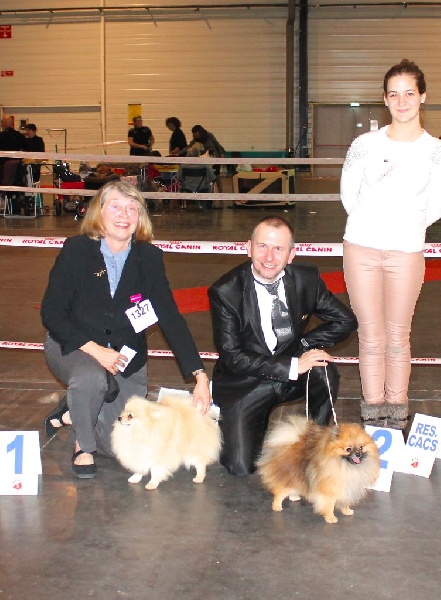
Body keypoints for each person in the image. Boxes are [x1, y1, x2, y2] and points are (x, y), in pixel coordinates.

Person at [41, 180, 211, 479]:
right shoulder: (77, 250)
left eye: (132, 208)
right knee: (91, 378)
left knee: (119, 444)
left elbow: (170, 317)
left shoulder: (149, 257)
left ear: (140, 217)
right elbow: (52, 313)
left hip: (125, 356)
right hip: (75, 345)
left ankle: (73, 409)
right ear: (99, 211)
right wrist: (95, 351)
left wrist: (199, 375)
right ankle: (83, 446)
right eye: (116, 206)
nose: (124, 214)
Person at [208, 216, 357, 476]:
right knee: (239, 466)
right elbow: (232, 356)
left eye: (278, 249)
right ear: (248, 248)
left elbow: (345, 321)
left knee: (323, 371)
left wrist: (304, 346)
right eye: (262, 246)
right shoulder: (225, 291)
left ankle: (316, 445)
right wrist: (291, 365)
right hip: (246, 382)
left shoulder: (306, 279)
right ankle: (245, 420)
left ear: (291, 255)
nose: (269, 257)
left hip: (291, 374)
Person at [341, 59, 441, 431]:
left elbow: (436, 205)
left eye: (409, 94)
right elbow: (349, 195)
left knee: (398, 337)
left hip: (407, 252)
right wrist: (372, 226)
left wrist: (405, 227)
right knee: (370, 337)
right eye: (394, 95)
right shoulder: (364, 145)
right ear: (385, 99)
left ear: (423, 97)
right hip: (361, 249)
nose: (402, 102)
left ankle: (396, 418)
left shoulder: (435, 151)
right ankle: (372, 416)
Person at [176, 142, 216, 209]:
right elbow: (212, 177)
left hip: (186, 188)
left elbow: (179, 178)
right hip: (202, 188)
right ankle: (206, 205)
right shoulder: (205, 164)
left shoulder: (183, 165)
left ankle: (184, 204)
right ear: (198, 154)